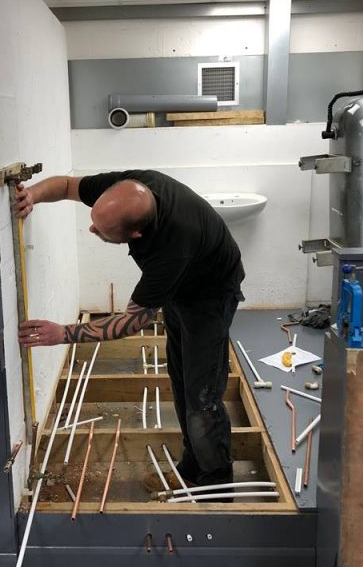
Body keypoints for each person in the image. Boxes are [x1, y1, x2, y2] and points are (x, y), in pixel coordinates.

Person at [15, 170, 244, 492]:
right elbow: (66, 185)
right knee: (181, 380)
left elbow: (132, 322)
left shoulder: (172, 246)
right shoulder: (128, 189)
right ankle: (192, 470)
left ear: (136, 234)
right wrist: (33, 195)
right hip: (182, 288)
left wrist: (63, 334)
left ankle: (217, 488)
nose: (92, 228)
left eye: (102, 230)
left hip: (210, 295)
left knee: (202, 398)